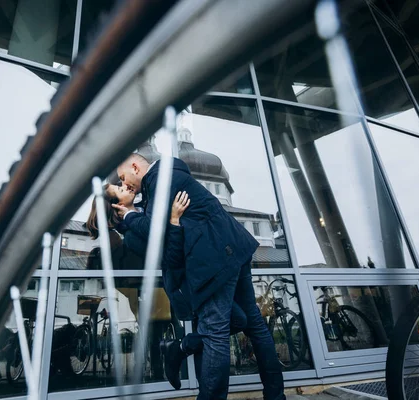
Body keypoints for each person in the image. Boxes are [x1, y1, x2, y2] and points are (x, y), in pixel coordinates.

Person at [114, 154, 285, 400]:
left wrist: (130, 214)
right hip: (232, 249)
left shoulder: (162, 180)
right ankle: (276, 396)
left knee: (217, 332)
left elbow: (155, 226)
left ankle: (185, 355)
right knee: (251, 323)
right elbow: (157, 227)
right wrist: (130, 215)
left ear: (134, 166)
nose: (125, 183)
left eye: (123, 177)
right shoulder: (163, 179)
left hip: (215, 259)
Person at [86, 184, 247, 390]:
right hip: (186, 287)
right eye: (119, 188)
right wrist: (174, 221)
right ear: (116, 205)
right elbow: (171, 258)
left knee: (235, 322)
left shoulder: (143, 210)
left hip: (199, 280)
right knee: (231, 323)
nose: (125, 185)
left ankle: (179, 348)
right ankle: (174, 360)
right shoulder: (131, 235)